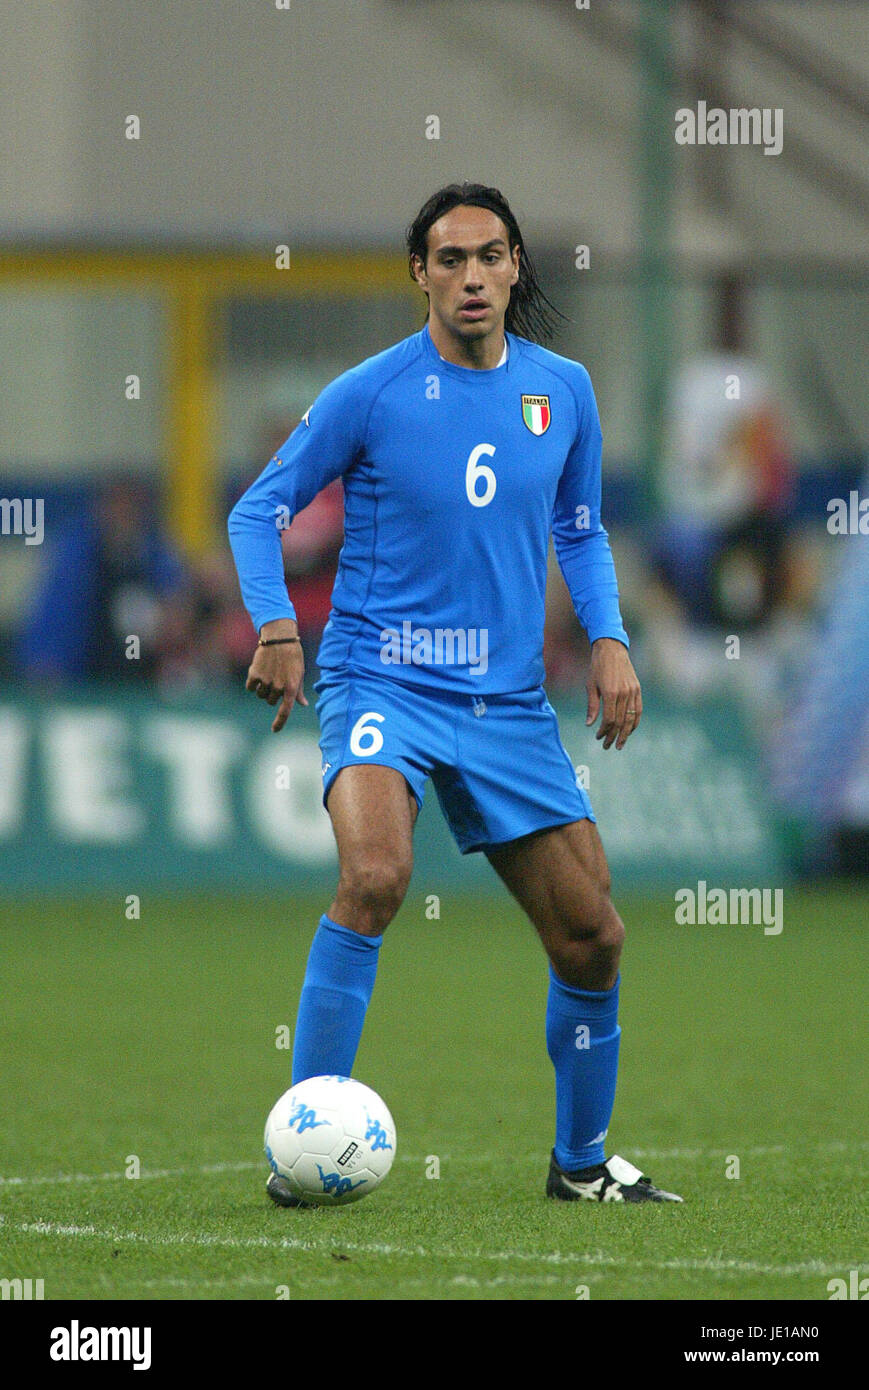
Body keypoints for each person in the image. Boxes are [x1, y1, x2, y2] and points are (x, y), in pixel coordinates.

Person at [228, 183, 682, 1206]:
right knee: (377, 873)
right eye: (448, 259)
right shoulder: (371, 392)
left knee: (591, 932)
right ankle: (305, 1140)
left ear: (516, 265)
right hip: (379, 674)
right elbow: (258, 510)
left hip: (507, 703)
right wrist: (275, 625)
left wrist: (607, 639)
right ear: (418, 274)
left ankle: (578, 1166)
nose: (470, 276)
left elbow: (577, 526)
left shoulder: (561, 389)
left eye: (488, 256)